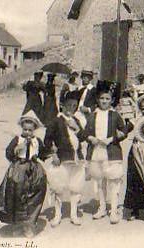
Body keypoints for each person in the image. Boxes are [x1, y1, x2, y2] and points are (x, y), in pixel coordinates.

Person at [78, 81, 128, 224]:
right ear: (97, 100)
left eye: (107, 99)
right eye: (102, 98)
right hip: (96, 152)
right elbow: (84, 132)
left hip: (111, 152)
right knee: (100, 182)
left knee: (114, 180)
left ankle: (113, 210)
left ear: (112, 100)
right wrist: (90, 138)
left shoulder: (115, 115)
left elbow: (124, 130)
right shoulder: (92, 115)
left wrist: (113, 138)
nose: (104, 101)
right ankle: (102, 208)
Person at [0, 110, 47, 238]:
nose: (27, 133)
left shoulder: (37, 141)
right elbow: (9, 153)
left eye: (30, 130)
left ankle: (28, 226)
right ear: (22, 128)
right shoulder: (17, 139)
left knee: (34, 197)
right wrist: (16, 151)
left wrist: (52, 153)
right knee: (17, 197)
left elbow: (43, 153)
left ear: (34, 129)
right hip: (19, 170)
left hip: (34, 170)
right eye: (25, 130)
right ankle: (18, 225)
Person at [44, 90, 85, 226]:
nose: (71, 109)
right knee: (59, 187)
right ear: (62, 105)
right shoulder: (56, 121)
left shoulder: (76, 121)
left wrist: (77, 129)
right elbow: (47, 140)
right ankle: (57, 214)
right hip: (62, 158)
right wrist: (53, 153)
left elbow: (84, 137)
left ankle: (73, 214)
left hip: (76, 159)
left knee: (75, 186)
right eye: (69, 105)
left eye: (74, 106)